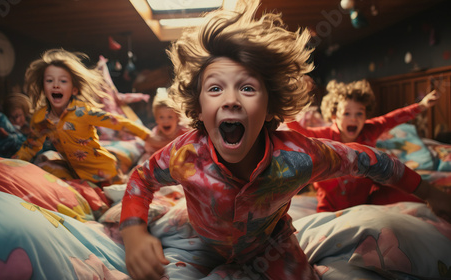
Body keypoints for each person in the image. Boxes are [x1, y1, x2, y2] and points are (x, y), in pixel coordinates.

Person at [118, 2, 451, 279]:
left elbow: (369, 160)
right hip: (200, 240)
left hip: (271, 244)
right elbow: (140, 178)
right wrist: (133, 232)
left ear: (269, 108)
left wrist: (431, 193)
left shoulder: (298, 157)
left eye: (247, 88)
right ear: (200, 110)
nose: (231, 100)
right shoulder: (184, 153)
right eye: (215, 88)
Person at [13, 48, 162, 186]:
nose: (56, 85)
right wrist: (10, 164)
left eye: (63, 81)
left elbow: (119, 122)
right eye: (50, 80)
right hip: (75, 173)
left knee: (114, 199)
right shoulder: (40, 119)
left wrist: (148, 137)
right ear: (43, 88)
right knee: (44, 162)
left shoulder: (82, 112)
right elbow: (31, 146)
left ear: (74, 89)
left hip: (104, 173)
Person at [286, 79, 440, 212]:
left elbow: (393, 118)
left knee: (409, 195)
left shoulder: (370, 129)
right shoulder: (323, 134)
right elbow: (298, 131)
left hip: (365, 197)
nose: (354, 119)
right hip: (330, 202)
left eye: (359, 113)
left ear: (366, 115)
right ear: (334, 115)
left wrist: (422, 106)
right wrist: (289, 101)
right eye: (347, 113)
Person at [137, 88, 191, 165]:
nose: (166, 121)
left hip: (179, 161)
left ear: (177, 118)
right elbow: (148, 147)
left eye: (170, 117)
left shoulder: (184, 130)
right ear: (156, 120)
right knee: (145, 158)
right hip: (161, 163)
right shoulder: (157, 132)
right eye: (161, 117)